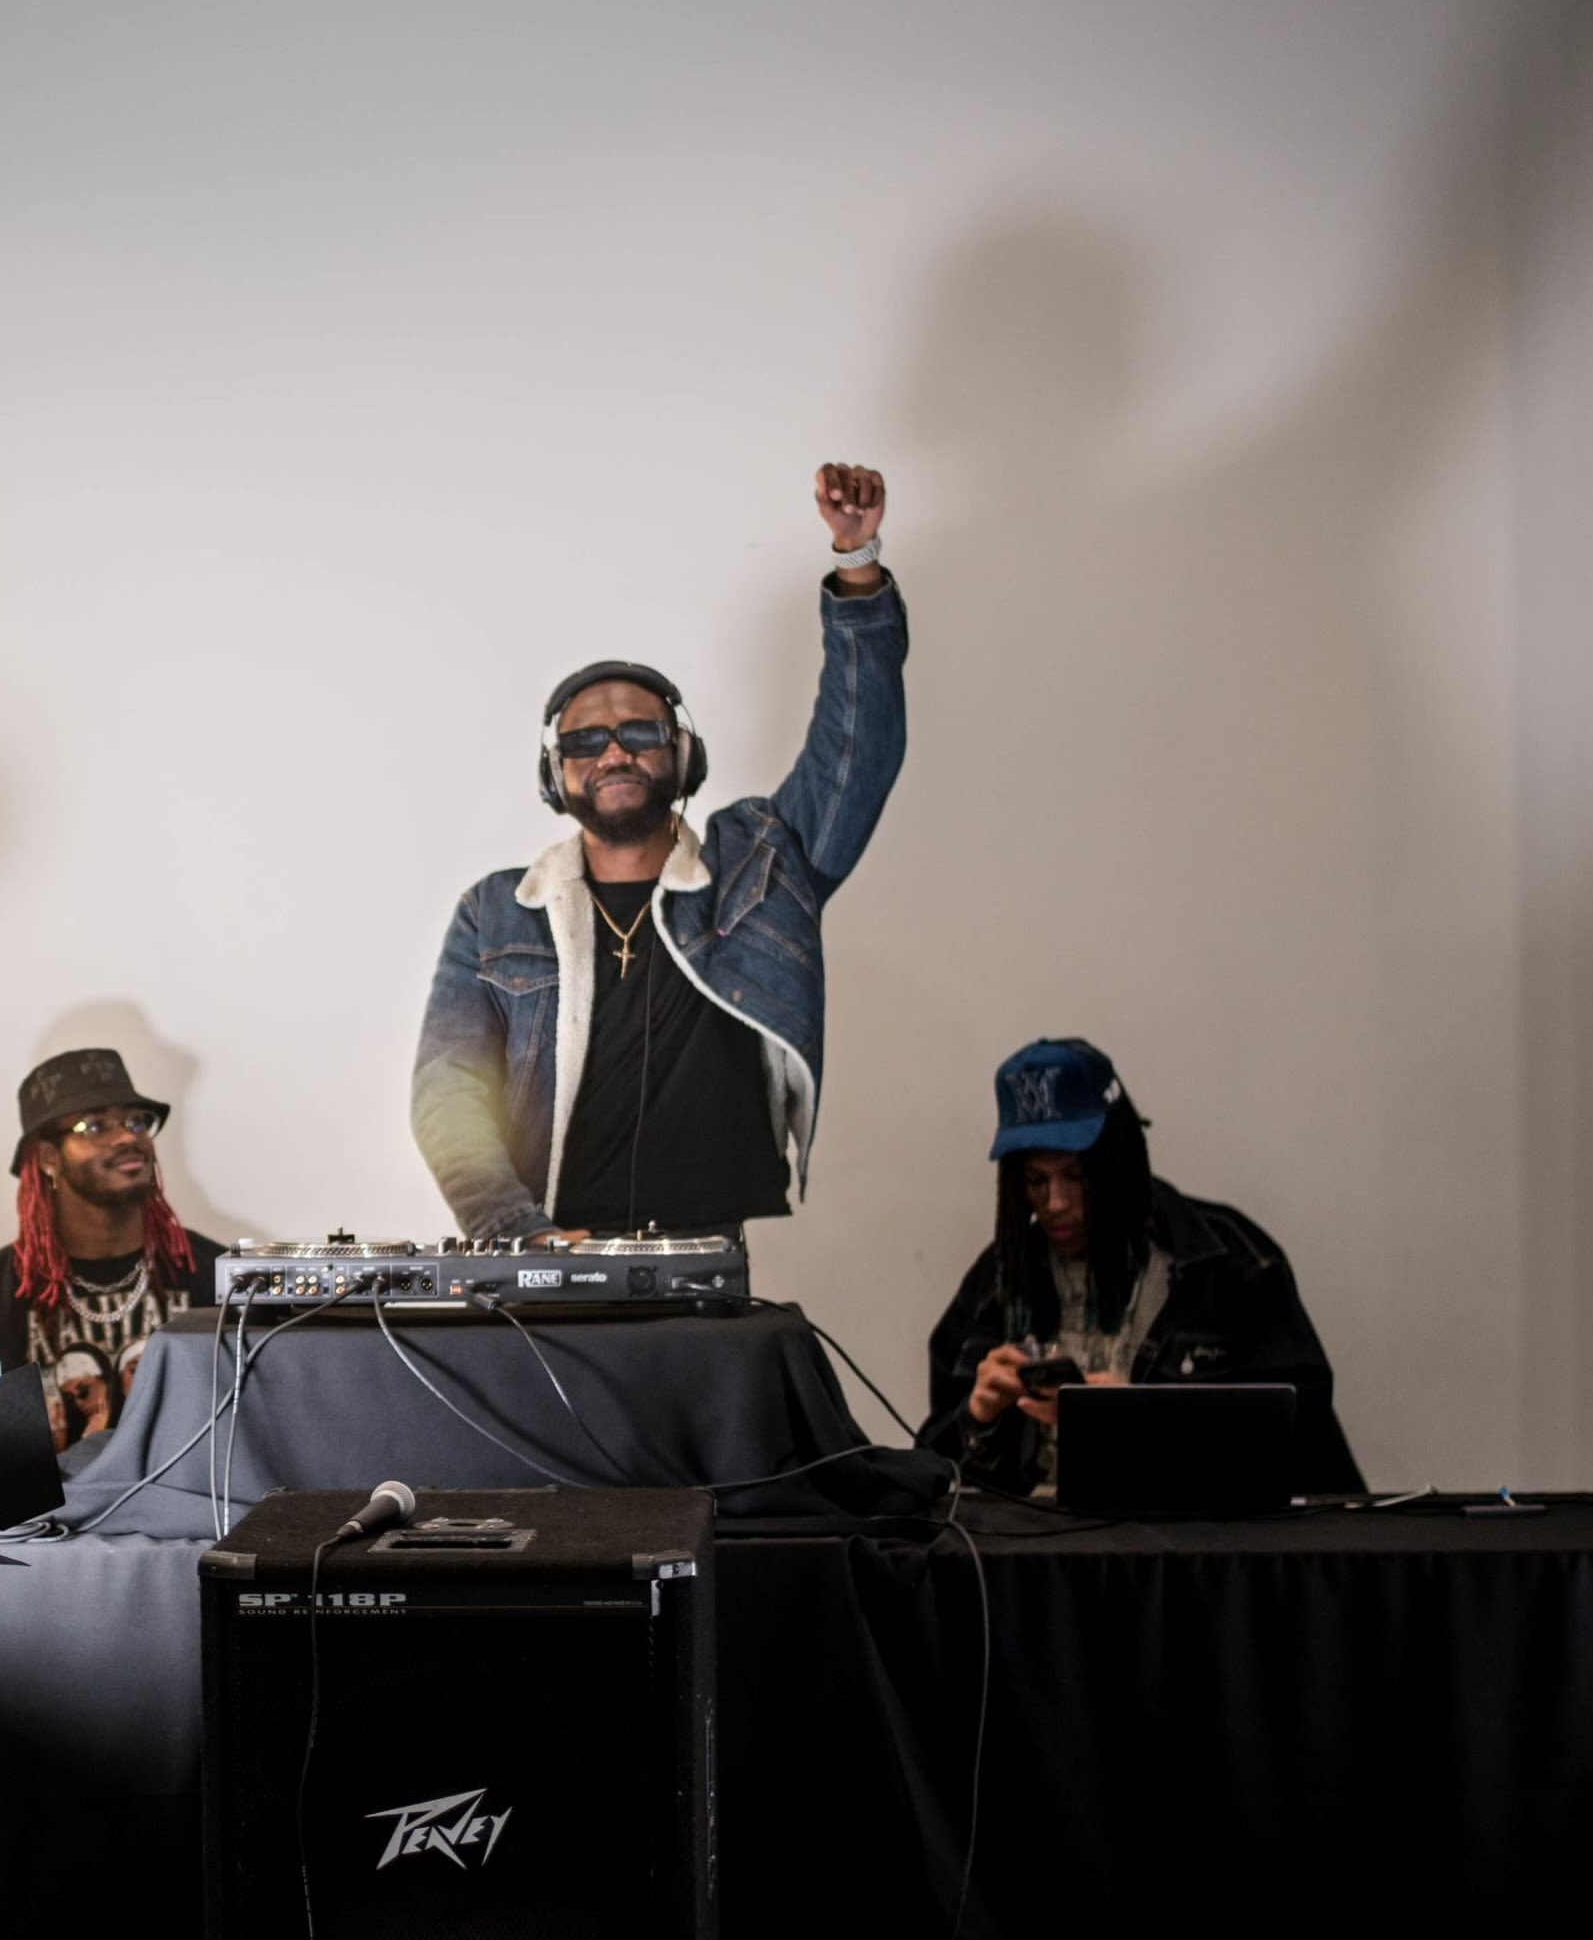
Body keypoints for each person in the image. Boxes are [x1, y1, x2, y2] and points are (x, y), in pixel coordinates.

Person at [412, 463, 908, 1246]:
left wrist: (857, 568)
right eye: (584, 740)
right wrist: (515, 1230)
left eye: (638, 733)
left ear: (681, 759)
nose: (612, 751)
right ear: (556, 773)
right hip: (547, 1265)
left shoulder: (758, 873)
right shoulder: (496, 912)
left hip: (706, 1256)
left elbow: (855, 757)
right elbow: (447, 1090)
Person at [921, 1036, 1364, 1497]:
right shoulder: (994, 1283)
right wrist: (978, 1422)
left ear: (1117, 1159)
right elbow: (930, 1475)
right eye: (1035, 1180)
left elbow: (1303, 1438)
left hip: (1184, 1557)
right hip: (1033, 1556)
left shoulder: (1227, 1264)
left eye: (1076, 1176)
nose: (1054, 1203)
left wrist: (1144, 1418)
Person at [0, 1047, 226, 1446]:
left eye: (137, 1122)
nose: (128, 1136)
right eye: (94, 1127)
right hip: (50, 1510)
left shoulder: (216, 1274)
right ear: (47, 1157)